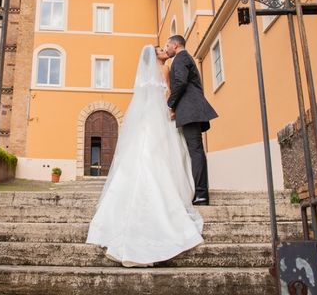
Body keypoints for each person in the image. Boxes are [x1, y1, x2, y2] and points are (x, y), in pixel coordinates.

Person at [86, 45, 204, 267]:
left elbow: (140, 100)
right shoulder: (165, 69)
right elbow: (169, 94)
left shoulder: (142, 76)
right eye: (160, 49)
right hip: (159, 119)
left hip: (144, 122)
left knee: (140, 157)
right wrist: (171, 110)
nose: (163, 50)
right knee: (161, 156)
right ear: (156, 56)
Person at [165, 35, 218, 206]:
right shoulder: (185, 58)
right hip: (192, 110)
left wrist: (170, 104)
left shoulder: (180, 59)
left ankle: (201, 194)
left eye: (168, 45)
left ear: (176, 44)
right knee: (196, 151)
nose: (166, 49)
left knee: (195, 151)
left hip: (190, 111)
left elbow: (180, 82)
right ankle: (201, 192)